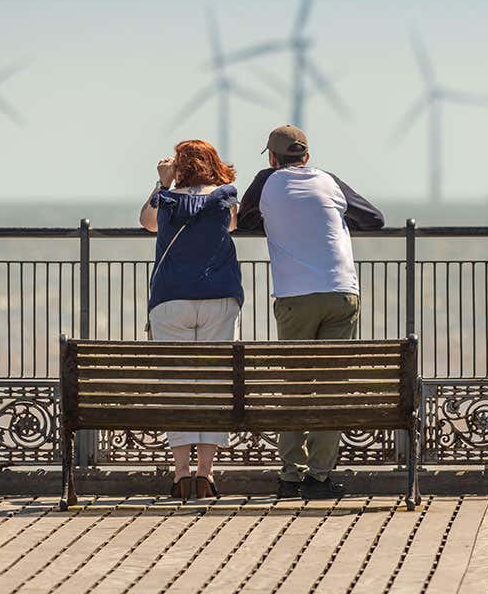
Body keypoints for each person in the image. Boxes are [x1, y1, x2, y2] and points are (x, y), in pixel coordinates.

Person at [238, 125, 385, 499]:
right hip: (340, 293)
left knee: (295, 385)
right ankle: (320, 477)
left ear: (272, 158)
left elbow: (245, 219)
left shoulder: (266, 181)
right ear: (307, 156)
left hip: (294, 298)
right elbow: (374, 219)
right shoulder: (328, 180)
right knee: (332, 386)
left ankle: (290, 475)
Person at [138, 139, 243, 501]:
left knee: (176, 383)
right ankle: (206, 474)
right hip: (218, 296)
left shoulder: (165, 200)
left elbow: (146, 223)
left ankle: (182, 474)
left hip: (170, 299)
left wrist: (162, 181)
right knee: (213, 382)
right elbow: (231, 225)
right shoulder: (226, 195)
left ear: (178, 166)